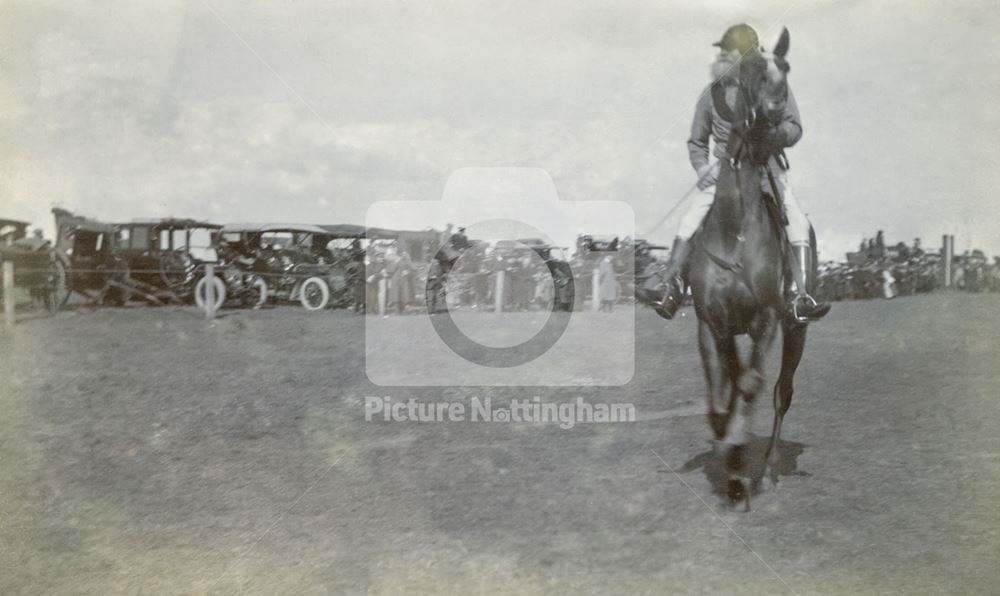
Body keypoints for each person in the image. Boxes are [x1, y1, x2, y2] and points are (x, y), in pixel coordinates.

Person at [652, 23, 830, 322]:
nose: (721, 56)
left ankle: (800, 296)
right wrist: (701, 167)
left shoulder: (772, 82)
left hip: (767, 168)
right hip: (725, 172)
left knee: (796, 221)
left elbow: (795, 127)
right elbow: (697, 141)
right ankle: (672, 287)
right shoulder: (711, 95)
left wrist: (775, 136)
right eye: (721, 51)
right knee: (689, 219)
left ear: (746, 55)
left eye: (727, 51)